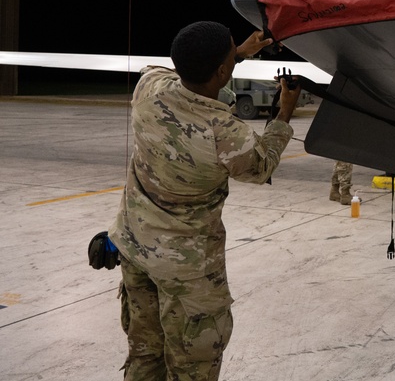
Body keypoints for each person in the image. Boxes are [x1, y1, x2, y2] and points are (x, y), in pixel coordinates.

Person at [108, 21, 302, 380]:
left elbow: (178, 74)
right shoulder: (226, 133)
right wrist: (284, 114)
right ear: (223, 70)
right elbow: (260, 166)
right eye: (231, 52)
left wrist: (238, 55)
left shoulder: (148, 89)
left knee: (144, 355)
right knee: (191, 368)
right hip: (189, 274)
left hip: (136, 253)